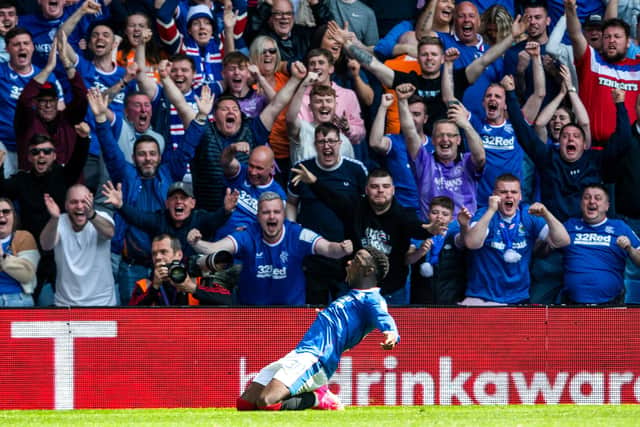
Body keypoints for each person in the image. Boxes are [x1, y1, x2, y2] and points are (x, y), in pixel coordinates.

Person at [236, 246, 398, 411]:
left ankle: (318, 398)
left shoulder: (373, 299)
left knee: (267, 402)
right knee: (245, 404)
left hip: (317, 358)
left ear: (368, 271)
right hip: (300, 353)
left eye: (356, 260)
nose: (348, 262)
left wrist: (391, 333)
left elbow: (384, 317)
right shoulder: (350, 296)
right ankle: (314, 391)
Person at [291, 166, 444, 305]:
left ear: (393, 190)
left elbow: (416, 227)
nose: (380, 190)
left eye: (385, 186)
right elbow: (332, 198)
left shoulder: (402, 215)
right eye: (374, 186)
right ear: (366, 189)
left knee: (390, 335)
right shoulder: (354, 207)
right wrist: (313, 182)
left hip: (391, 293)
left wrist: (429, 230)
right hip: (354, 290)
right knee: (350, 335)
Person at [189, 191, 352, 306]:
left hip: (290, 316)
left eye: (276, 212)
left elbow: (329, 249)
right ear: (258, 216)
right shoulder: (248, 234)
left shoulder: (297, 234)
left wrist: (342, 249)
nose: (272, 216)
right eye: (266, 212)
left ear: (283, 215)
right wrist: (196, 243)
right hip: (252, 315)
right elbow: (214, 248)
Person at [0, 126, 89, 306]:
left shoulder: (63, 175)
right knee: (34, 305)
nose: (41, 156)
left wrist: (83, 138)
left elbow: (78, 161)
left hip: (62, 249)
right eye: (36, 152)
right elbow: (2, 190)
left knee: (66, 305)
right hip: (33, 250)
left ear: (54, 156)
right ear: (29, 157)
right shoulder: (22, 180)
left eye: (47, 151)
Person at [286, 122, 367, 305]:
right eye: (321, 142)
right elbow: (291, 203)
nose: (327, 146)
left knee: (346, 311)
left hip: (347, 255)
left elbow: (363, 210)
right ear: (315, 145)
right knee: (314, 313)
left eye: (331, 141)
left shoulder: (356, 170)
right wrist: (292, 228)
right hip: (313, 255)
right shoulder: (302, 169)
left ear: (340, 143)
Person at [458, 174, 570, 305]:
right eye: (503, 192)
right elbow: (472, 243)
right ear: (494, 195)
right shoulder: (484, 214)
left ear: (520, 196)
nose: (509, 196)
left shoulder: (528, 214)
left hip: (517, 297)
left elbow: (563, 241)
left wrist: (546, 214)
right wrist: (491, 210)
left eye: (514, 192)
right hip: (482, 297)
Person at [398, 83, 485, 218]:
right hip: (432, 231)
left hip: (462, 231)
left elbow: (480, 156)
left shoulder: (468, 161)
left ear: (458, 140)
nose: (445, 139)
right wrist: (402, 101)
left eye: (451, 135)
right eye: (440, 135)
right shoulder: (424, 162)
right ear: (432, 141)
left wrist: (466, 125)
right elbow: (410, 133)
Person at [565, 0, 640, 145]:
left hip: (630, 152)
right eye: (607, 37)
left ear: (628, 42)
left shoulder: (637, 68)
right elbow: (575, 35)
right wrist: (570, 9)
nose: (611, 41)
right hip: (594, 150)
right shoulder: (591, 61)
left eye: (617, 37)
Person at [15, 32, 87, 170]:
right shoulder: (27, 122)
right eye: (43, 101)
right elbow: (24, 100)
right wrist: (48, 68)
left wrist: (66, 62)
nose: (48, 105)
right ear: (35, 103)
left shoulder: (68, 118)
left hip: (66, 185)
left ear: (57, 101)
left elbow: (82, 97)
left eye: (52, 100)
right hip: (34, 186)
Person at [561, 185, 640, 305]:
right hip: (572, 304)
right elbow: (545, 249)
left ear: (607, 205)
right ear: (581, 203)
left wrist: (629, 248)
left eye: (598, 198)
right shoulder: (569, 225)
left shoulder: (620, 227)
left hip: (611, 303)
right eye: (587, 198)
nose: (592, 201)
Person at [40, 184, 117, 307]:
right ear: (66, 205)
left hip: (102, 303)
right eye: (74, 202)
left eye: (84, 201)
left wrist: (91, 214)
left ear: (91, 201)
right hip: (66, 305)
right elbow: (46, 245)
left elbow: (110, 233)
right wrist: (54, 218)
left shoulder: (101, 217)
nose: (80, 206)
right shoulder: (59, 222)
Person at [129, 234, 231, 306]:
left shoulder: (198, 281)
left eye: (163, 252)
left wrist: (192, 288)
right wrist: (154, 287)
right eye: (154, 253)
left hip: (193, 333)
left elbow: (229, 301)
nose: (158, 257)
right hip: (160, 334)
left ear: (179, 255)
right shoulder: (144, 285)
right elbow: (131, 316)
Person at [216, 144, 286, 239]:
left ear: (272, 168)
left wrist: (253, 232)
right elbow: (225, 162)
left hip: (248, 243)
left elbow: (275, 229)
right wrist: (232, 148)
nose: (253, 172)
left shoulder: (277, 195)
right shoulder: (242, 172)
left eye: (259, 168)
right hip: (220, 238)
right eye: (251, 166)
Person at [408, 196, 467, 305]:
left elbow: (463, 241)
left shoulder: (455, 233)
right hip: (421, 293)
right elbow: (408, 259)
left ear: (451, 218)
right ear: (428, 214)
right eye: (435, 212)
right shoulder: (419, 231)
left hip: (451, 294)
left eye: (445, 214)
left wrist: (464, 226)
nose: (439, 217)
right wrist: (420, 252)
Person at [0, 198, 40, 307]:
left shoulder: (24, 237)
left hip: (18, 299)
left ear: (14, 216)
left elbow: (27, 275)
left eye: (6, 211)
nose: (1, 215)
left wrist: (2, 256)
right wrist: (14, 262)